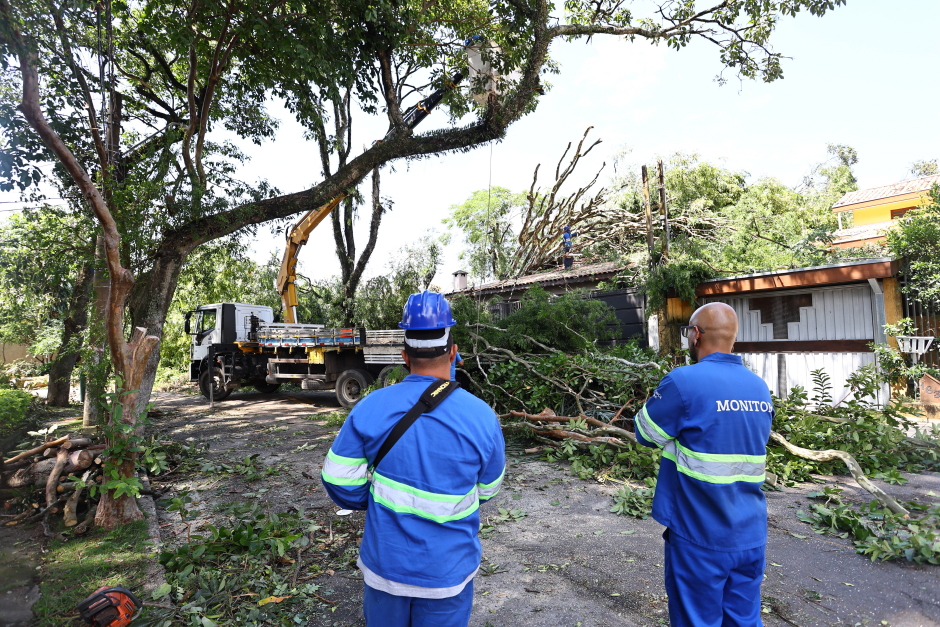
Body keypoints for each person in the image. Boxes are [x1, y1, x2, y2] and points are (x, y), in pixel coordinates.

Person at [321, 290, 506, 627]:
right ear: (453, 352)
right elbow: (488, 490)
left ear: (404, 355)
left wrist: (378, 500)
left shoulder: (370, 406)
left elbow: (338, 480)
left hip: (386, 569)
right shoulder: (482, 417)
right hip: (447, 574)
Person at [634, 302, 773, 627]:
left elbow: (644, 433)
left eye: (688, 332)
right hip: (750, 534)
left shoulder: (683, 382)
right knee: (743, 620)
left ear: (695, 334)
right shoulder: (759, 387)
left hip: (700, 535)